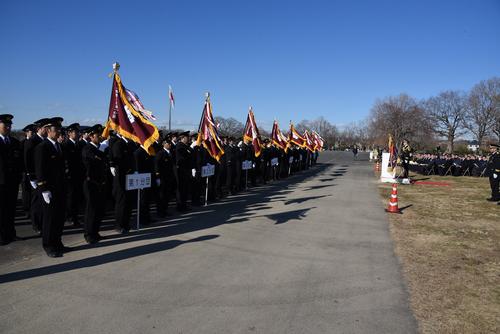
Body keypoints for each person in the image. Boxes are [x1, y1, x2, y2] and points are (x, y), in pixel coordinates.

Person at [34, 117, 71, 257]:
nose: (58, 132)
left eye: (60, 130)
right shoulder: (42, 147)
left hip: (60, 187)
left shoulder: (59, 146)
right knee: (49, 219)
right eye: (56, 130)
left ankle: (58, 242)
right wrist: (43, 189)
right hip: (49, 189)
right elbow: (40, 170)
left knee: (59, 217)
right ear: (48, 131)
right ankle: (48, 245)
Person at [81, 124, 107, 244]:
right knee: (91, 210)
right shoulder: (88, 148)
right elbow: (96, 160)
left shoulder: (98, 148)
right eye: (98, 135)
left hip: (99, 182)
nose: (100, 137)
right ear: (91, 136)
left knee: (99, 209)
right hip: (90, 182)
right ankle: (89, 234)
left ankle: (95, 232)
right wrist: (101, 152)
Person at [0, 114, 24, 245]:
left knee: (10, 209)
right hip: (0, 182)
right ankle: (1, 236)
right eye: (5, 125)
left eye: (10, 125)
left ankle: (11, 233)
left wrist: (18, 177)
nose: (8, 127)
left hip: (12, 182)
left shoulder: (14, 142)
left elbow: (19, 162)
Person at [24, 118, 50, 233]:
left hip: (45, 176)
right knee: (36, 202)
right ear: (39, 129)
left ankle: (43, 222)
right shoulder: (32, 141)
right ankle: (36, 224)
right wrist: (31, 177)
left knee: (44, 202)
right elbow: (27, 160)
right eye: (45, 128)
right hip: (36, 177)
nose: (47, 130)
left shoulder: (46, 141)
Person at [108, 133, 136, 234]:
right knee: (121, 202)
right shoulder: (118, 144)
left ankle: (126, 223)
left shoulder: (130, 144)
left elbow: (133, 160)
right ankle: (119, 225)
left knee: (128, 202)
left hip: (130, 177)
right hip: (121, 178)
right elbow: (118, 162)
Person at [62, 123, 83, 227]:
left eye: (78, 132)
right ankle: (69, 217)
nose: (78, 134)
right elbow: (65, 162)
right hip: (69, 176)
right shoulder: (65, 145)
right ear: (69, 133)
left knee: (76, 197)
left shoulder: (80, 144)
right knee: (70, 198)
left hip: (79, 175)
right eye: (75, 132)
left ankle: (75, 217)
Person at [175, 131, 192, 212]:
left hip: (186, 170)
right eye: (187, 137)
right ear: (182, 138)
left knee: (185, 189)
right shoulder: (179, 146)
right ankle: (180, 206)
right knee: (181, 189)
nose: (188, 139)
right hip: (181, 170)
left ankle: (184, 204)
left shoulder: (186, 146)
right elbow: (180, 159)